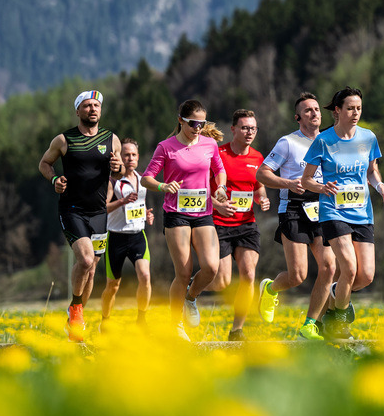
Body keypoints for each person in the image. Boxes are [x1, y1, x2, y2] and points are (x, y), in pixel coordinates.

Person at [299, 87, 384, 340]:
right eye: (350, 108)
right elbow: (306, 180)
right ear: (338, 111)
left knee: (365, 276)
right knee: (348, 269)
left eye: (359, 108)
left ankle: (331, 303)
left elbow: (372, 171)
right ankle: (338, 325)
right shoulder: (324, 140)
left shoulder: (368, 137)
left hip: (363, 213)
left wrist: (380, 186)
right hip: (333, 211)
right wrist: (322, 187)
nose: (355, 113)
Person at [38, 90, 123, 342]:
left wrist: (117, 170)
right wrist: (54, 179)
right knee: (85, 260)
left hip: (99, 212)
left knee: (93, 268)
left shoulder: (111, 139)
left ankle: (77, 318)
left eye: (96, 105)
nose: (92, 109)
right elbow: (44, 163)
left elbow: (116, 172)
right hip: (72, 209)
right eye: (87, 105)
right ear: (78, 111)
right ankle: (75, 308)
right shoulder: (64, 140)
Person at [141, 99, 228, 340]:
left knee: (211, 267)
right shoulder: (166, 147)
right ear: (180, 120)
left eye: (201, 124)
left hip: (203, 213)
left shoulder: (209, 145)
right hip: (176, 214)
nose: (197, 128)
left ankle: (190, 298)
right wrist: (163, 185)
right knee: (184, 271)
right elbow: (146, 178)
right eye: (193, 123)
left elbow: (220, 170)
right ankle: (175, 324)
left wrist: (220, 187)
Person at [256, 92, 336, 342]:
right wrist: (287, 183)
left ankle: (310, 325)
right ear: (298, 117)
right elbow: (262, 173)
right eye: (308, 110)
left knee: (329, 267)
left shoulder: (330, 141)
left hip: (322, 208)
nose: (314, 113)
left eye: (317, 109)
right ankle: (269, 289)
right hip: (293, 208)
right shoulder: (287, 143)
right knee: (298, 275)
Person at [204, 109, 269, 341]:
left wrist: (263, 199)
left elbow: (258, 187)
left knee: (249, 275)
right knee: (222, 282)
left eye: (253, 128)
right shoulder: (218, 154)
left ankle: (236, 330)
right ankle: (190, 288)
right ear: (233, 130)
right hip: (219, 224)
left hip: (246, 224)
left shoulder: (258, 157)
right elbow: (201, 187)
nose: (249, 132)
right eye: (244, 127)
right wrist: (217, 205)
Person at [99, 138, 155, 331]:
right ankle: (105, 321)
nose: (130, 158)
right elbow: (103, 209)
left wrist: (146, 214)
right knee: (113, 286)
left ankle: (142, 320)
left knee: (145, 276)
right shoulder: (112, 181)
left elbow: (139, 204)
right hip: (116, 238)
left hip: (138, 236)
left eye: (133, 155)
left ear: (138, 157)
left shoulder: (143, 180)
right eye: (126, 155)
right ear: (119, 158)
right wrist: (121, 202)